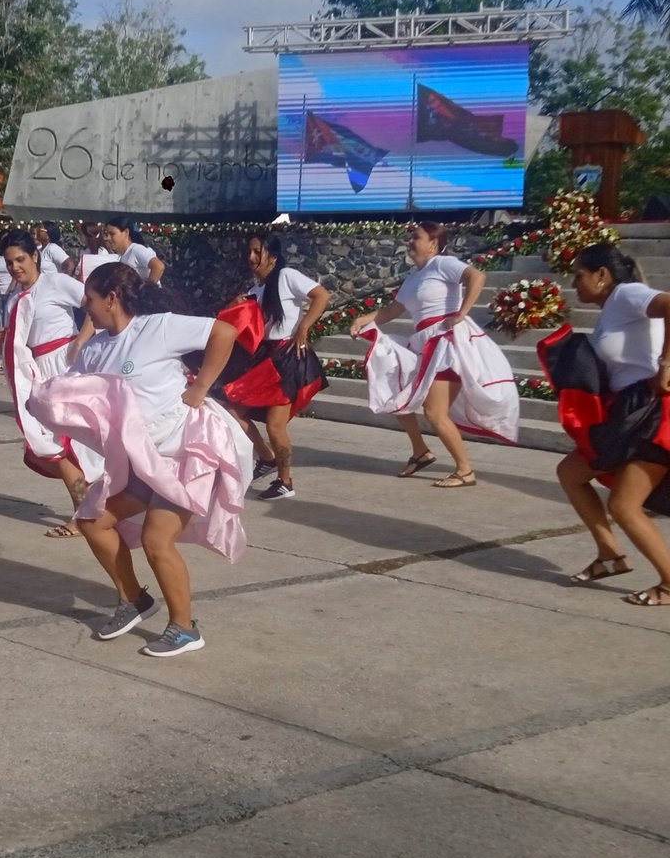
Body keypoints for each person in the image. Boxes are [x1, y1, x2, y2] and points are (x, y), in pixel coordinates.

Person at [27, 263, 252, 657]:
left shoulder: (157, 327)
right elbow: (73, 391)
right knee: (92, 521)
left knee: (156, 539)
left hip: (185, 453)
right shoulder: (95, 349)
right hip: (141, 464)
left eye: (90, 300)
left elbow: (225, 332)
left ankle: (185, 628)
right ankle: (134, 600)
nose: (86, 308)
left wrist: (200, 388)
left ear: (111, 298)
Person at [546, 243, 670, 606]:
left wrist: (667, 363)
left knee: (625, 506)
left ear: (602, 275)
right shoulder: (614, 308)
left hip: (652, 413)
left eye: (580, 275)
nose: (575, 283)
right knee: (571, 473)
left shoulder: (625, 294)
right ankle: (609, 554)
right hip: (628, 414)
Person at [349, 222, 519, 486]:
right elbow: (391, 311)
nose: (410, 241)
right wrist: (362, 320)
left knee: (434, 412)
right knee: (396, 394)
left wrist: (461, 313)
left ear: (433, 243)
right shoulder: (413, 278)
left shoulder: (442, 264)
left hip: (446, 346)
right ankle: (420, 452)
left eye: (416, 237)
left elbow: (477, 277)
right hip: (423, 345)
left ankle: (465, 471)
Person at [0, 230, 96, 537]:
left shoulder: (56, 282)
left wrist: (81, 340)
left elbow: (95, 306)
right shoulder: (15, 298)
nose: (15, 267)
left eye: (21, 259)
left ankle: (84, 515)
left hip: (64, 368)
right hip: (37, 374)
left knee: (62, 445)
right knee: (50, 445)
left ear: (36, 256)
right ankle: (89, 507)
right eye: (10, 262)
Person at [218, 233, 331, 500]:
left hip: (288, 358)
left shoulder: (287, 276)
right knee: (233, 411)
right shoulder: (255, 290)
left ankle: (285, 481)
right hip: (264, 359)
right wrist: (234, 306)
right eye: (250, 252)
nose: (252, 257)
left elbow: (321, 295)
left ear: (273, 256)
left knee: (275, 425)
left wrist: (304, 325)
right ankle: (267, 457)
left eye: (258, 251)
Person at [105, 215, 164, 285]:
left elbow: (159, 266)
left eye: (112, 234)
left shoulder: (137, 250)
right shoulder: (124, 255)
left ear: (126, 232)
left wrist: (147, 290)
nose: (107, 238)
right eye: (107, 234)